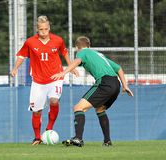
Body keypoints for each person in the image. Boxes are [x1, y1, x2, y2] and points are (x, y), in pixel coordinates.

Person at [51, 36, 133, 147]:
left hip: (104, 82)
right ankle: (107, 141)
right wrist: (125, 85)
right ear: (90, 46)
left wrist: (63, 73)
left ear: (77, 47)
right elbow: (118, 68)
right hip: (116, 84)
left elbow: (77, 61)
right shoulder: (99, 55)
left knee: (78, 108)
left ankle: (78, 139)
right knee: (100, 109)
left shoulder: (82, 52)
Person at [10, 15, 79, 145]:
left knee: (54, 100)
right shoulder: (30, 42)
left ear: (49, 28)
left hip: (55, 77)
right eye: (41, 29)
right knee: (37, 111)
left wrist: (71, 67)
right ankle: (37, 137)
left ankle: (49, 128)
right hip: (38, 81)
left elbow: (64, 52)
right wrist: (15, 69)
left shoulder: (58, 40)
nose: (44, 32)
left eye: (46, 29)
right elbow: (21, 56)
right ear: (37, 29)